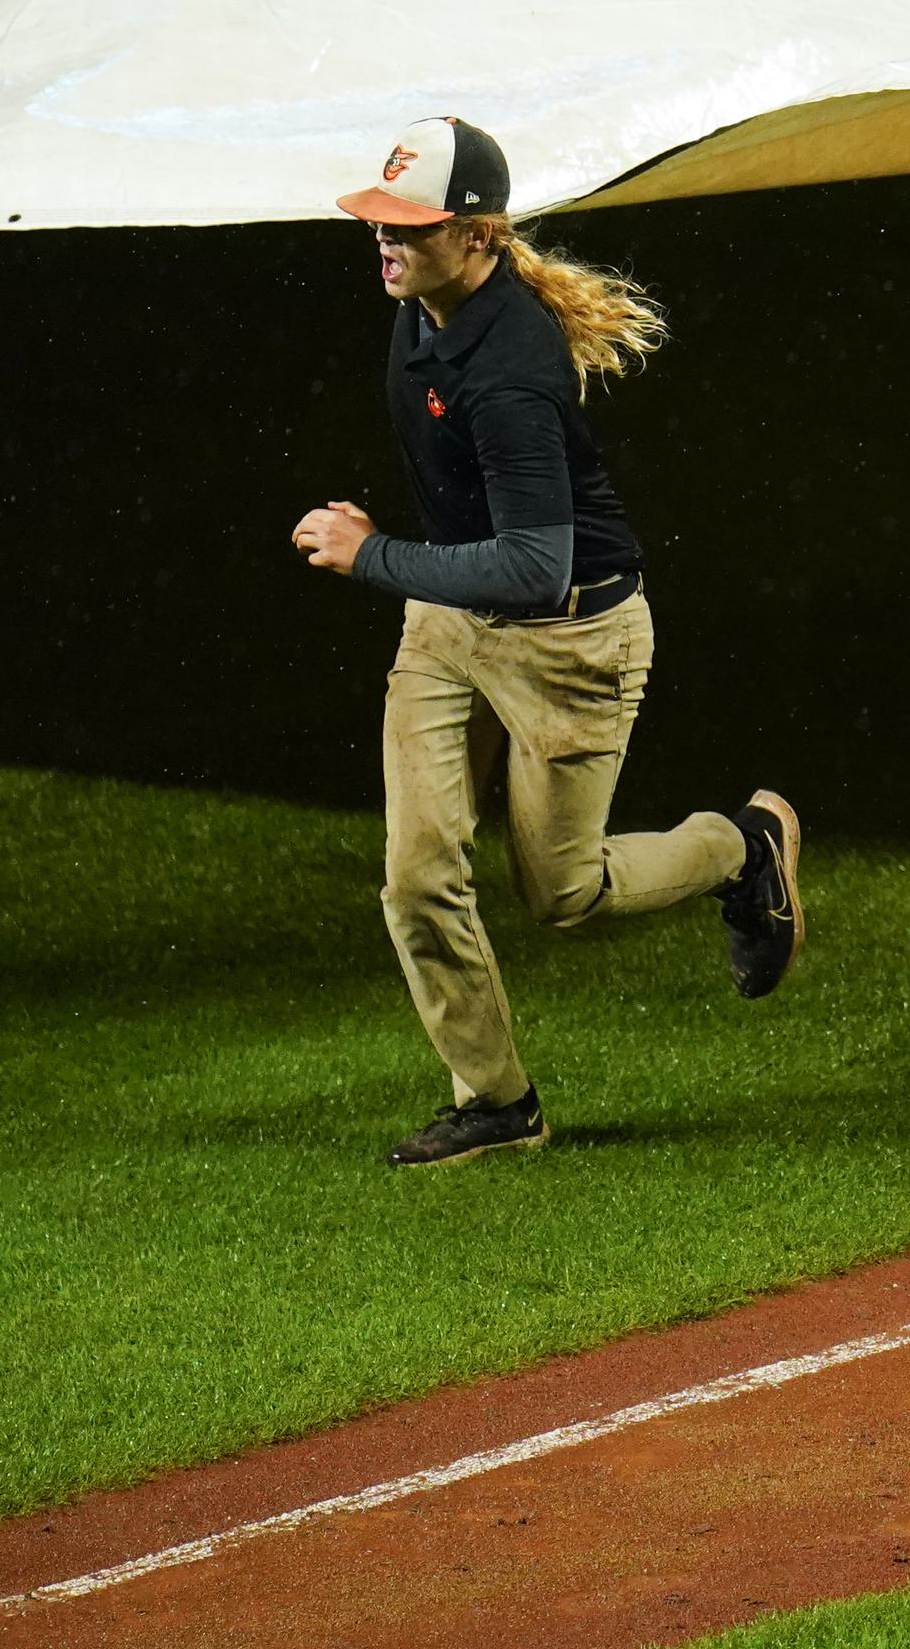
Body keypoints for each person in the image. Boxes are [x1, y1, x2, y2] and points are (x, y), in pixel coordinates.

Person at [293, 116, 803, 1167]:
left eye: (412, 227)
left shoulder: (512, 369)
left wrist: (374, 553)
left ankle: (740, 847)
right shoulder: (425, 302)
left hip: (571, 642)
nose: (385, 244)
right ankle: (495, 1099)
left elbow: (536, 565)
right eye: (378, 222)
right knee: (417, 875)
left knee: (561, 894)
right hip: (448, 626)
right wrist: (409, 567)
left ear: (479, 234)